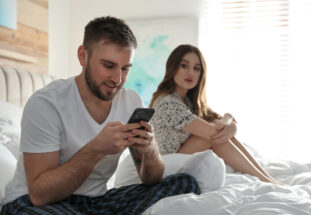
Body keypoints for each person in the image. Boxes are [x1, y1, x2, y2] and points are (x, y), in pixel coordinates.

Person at [0, 17, 200, 215]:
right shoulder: (46, 103)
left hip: (96, 203)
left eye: (125, 68)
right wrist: (96, 149)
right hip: (34, 203)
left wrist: (150, 151)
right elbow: (41, 195)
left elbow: (150, 179)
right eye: (108, 66)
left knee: (184, 183)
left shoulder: (131, 102)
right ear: (83, 56)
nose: (118, 79)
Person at [149, 44, 282, 184]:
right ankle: (265, 180)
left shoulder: (187, 100)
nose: (191, 73)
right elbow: (215, 130)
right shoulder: (167, 102)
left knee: (218, 134)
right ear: (173, 67)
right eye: (184, 66)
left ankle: (266, 177)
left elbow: (221, 119)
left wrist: (232, 124)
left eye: (196, 68)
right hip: (167, 166)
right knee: (215, 136)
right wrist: (227, 126)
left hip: (181, 158)